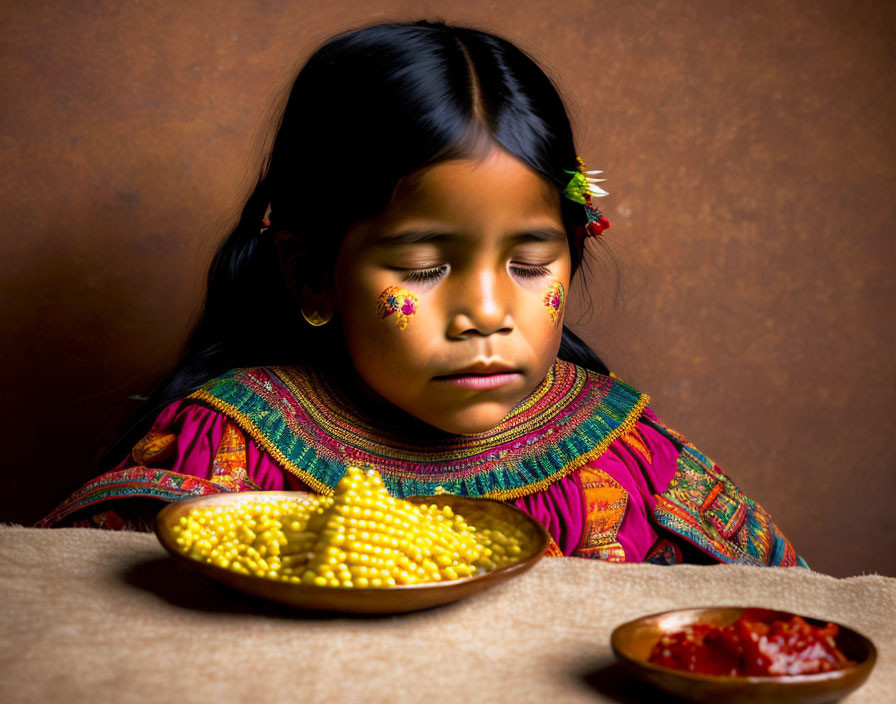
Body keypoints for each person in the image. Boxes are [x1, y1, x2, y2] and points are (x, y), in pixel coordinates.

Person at [40, 19, 806, 568]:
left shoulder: (628, 458)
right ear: (312, 273)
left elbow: (792, 615)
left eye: (531, 265)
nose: (487, 313)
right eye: (424, 268)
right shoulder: (228, 452)